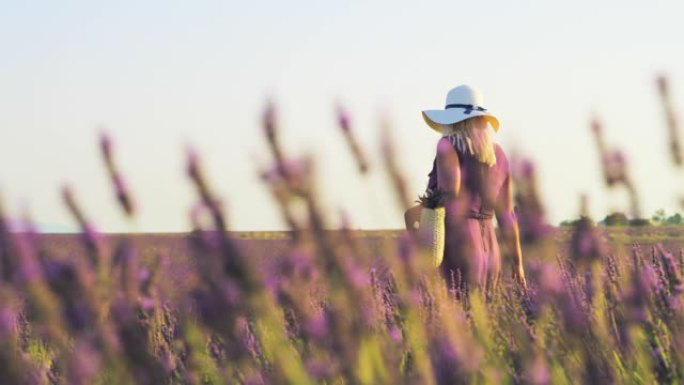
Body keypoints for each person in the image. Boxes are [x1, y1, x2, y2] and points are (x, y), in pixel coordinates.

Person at [416, 85, 526, 292]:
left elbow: (451, 194)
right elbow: (507, 216)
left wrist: (429, 204)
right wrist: (517, 263)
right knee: (485, 318)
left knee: (455, 318)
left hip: (459, 245)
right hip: (491, 250)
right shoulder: (498, 154)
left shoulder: (447, 146)